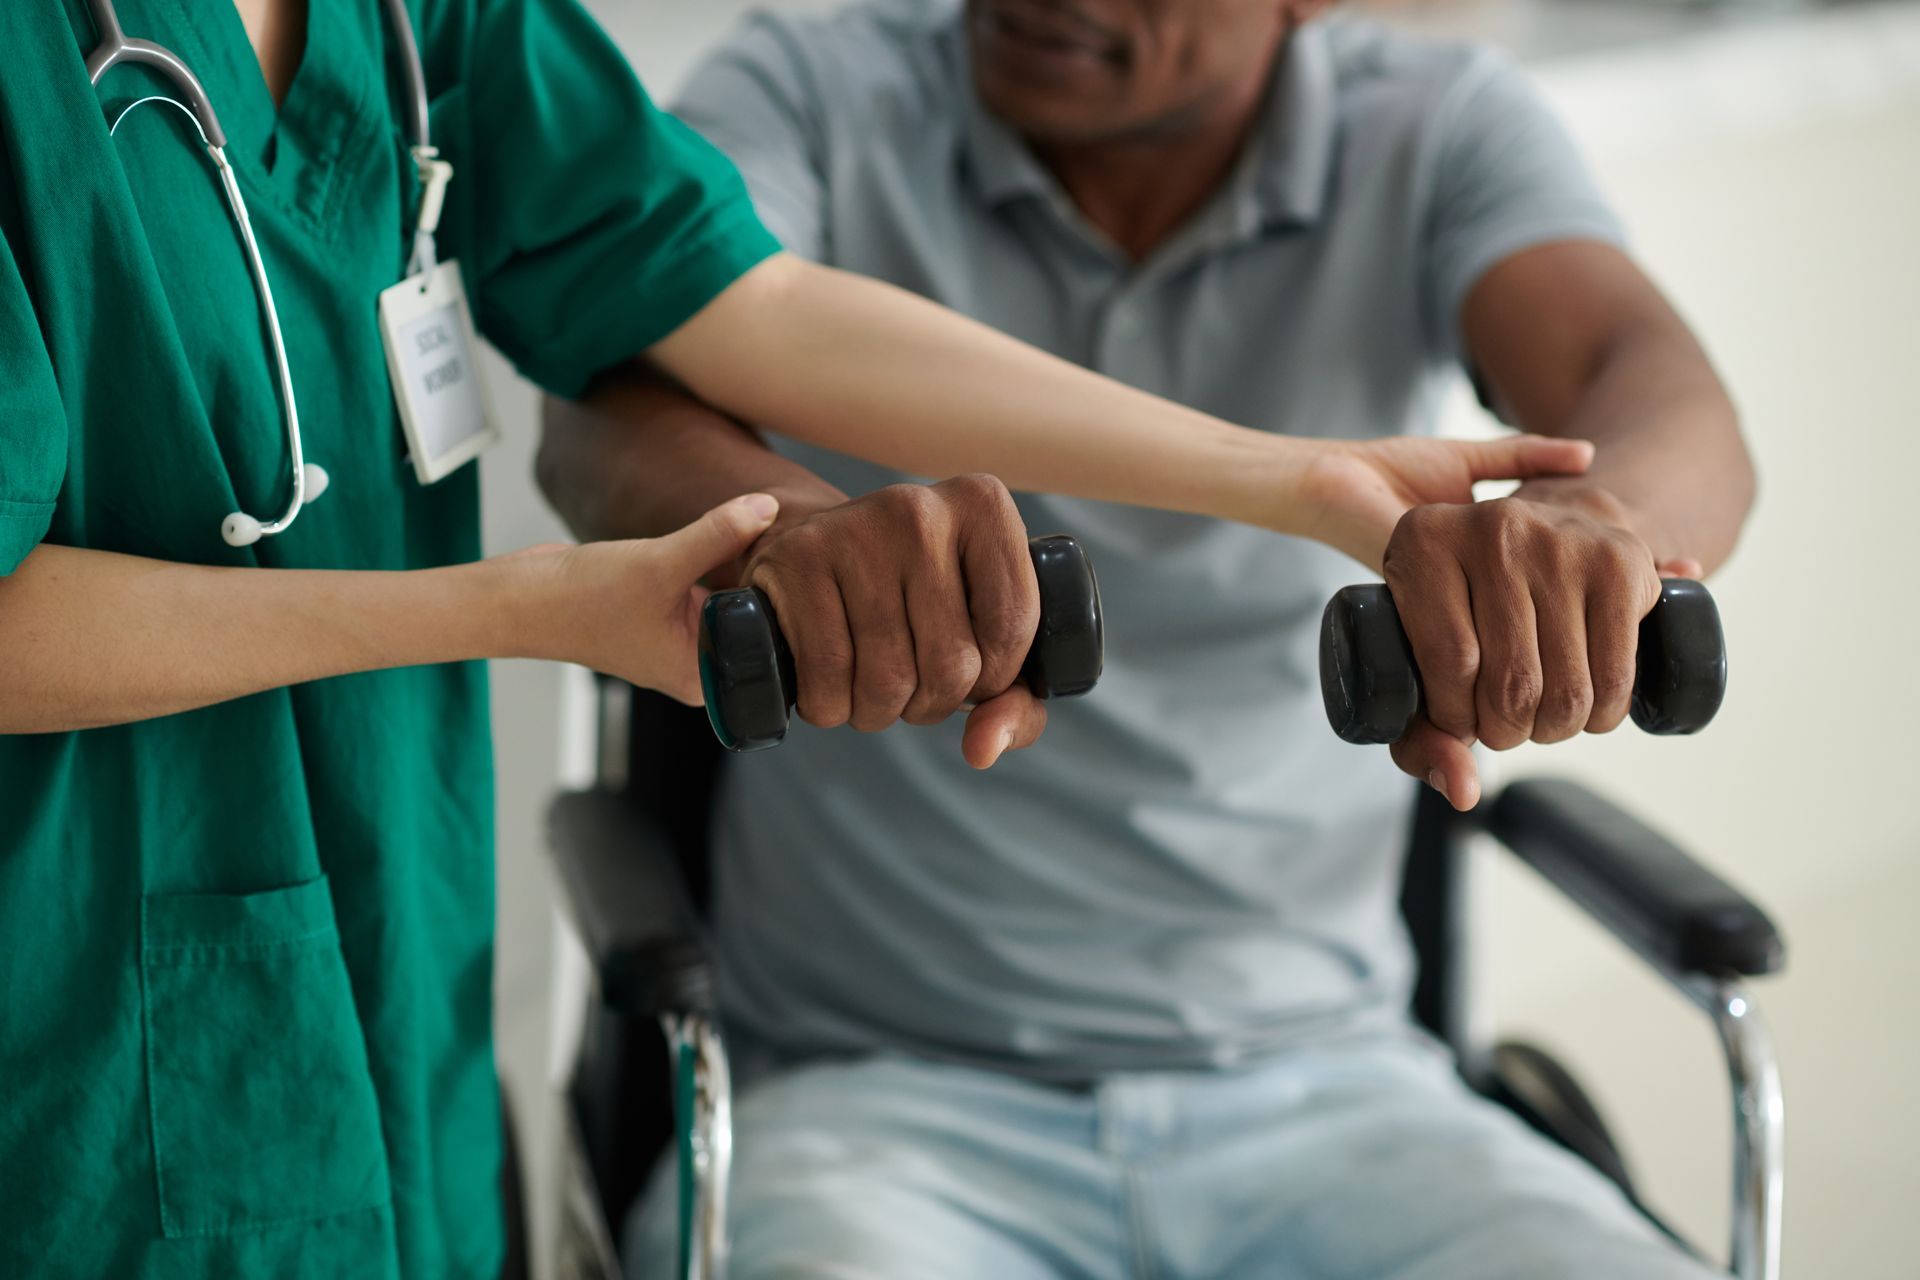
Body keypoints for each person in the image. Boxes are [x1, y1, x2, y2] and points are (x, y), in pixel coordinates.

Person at [0, 1, 1559, 1276]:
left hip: (376, 949)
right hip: (62, 996)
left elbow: (749, 305)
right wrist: (548, 607)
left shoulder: (422, 17)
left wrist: (1285, 480)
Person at [535, 1, 1756, 1277]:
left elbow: (1654, 378)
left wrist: (1596, 530)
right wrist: (783, 527)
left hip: (1337, 1096)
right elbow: (608, 400)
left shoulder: (1439, 126)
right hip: (868, 1108)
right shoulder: (814, 86)